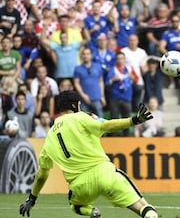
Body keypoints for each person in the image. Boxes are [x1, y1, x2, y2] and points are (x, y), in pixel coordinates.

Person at [19, 90, 158, 218]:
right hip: (104, 173)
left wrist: (32, 198)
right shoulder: (80, 117)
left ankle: (92, 212)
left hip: (80, 186)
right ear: (75, 105)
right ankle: (149, 214)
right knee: (142, 207)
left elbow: (42, 175)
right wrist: (134, 120)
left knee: (76, 206)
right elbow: (106, 126)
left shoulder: (48, 137)